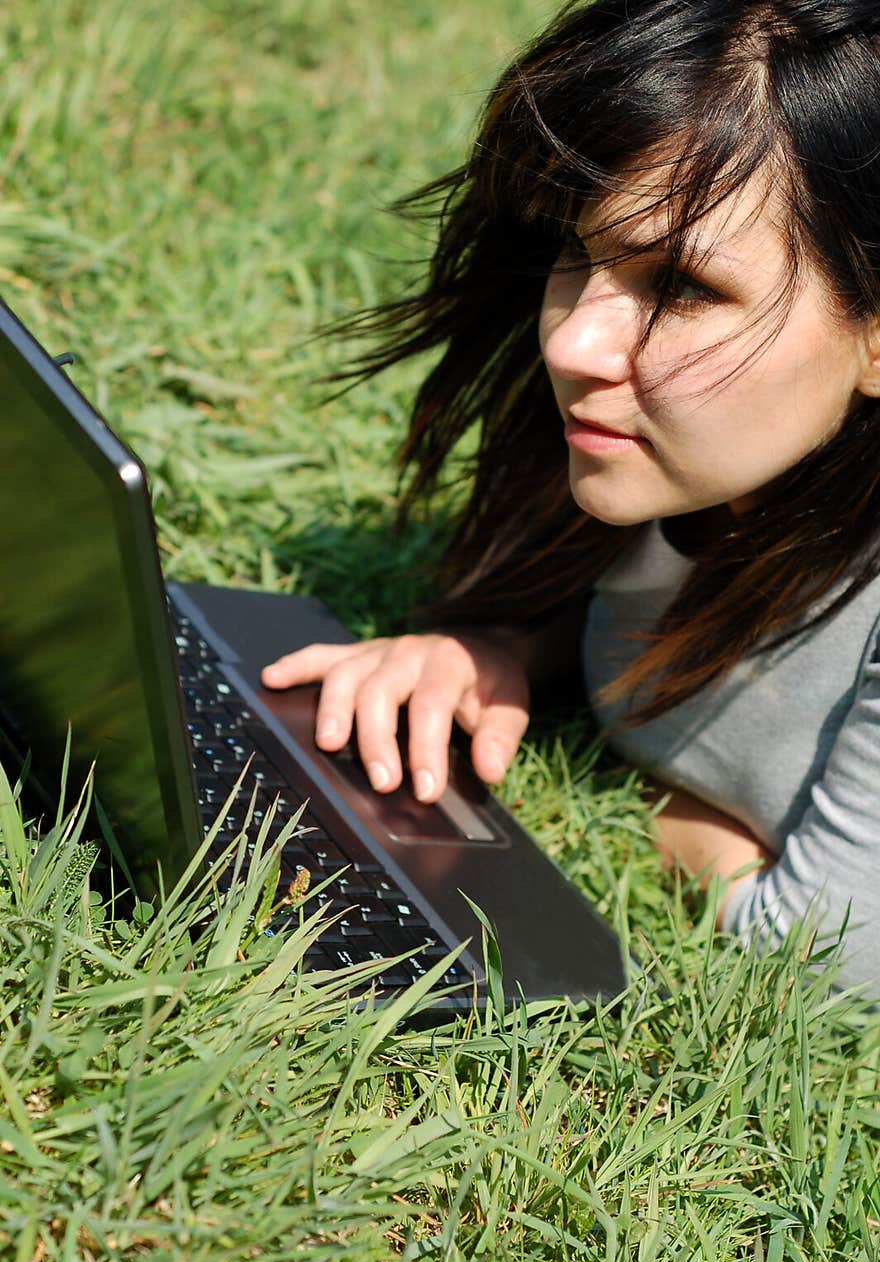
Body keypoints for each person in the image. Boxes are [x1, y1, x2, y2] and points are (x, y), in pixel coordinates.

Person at [261, 0, 880, 1000]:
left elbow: (833, 957)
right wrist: (500, 647)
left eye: (678, 286)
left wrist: (683, 830)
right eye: (579, 254)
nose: (571, 343)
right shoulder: (673, 472)